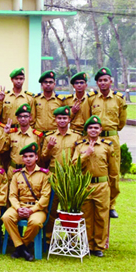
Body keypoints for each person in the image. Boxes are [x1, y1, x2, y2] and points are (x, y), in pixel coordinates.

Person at [72, 116, 118, 257]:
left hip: (102, 184)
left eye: (96, 128)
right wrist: (86, 154)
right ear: (87, 129)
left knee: (101, 216)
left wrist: (113, 190)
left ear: (101, 130)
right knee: (86, 216)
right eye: (90, 128)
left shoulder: (107, 145)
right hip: (85, 184)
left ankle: (98, 246)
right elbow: (74, 164)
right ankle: (87, 244)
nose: (93, 130)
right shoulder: (80, 145)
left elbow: (114, 170)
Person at [1, 142, 51, 262]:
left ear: (36, 157)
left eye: (31, 156)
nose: (28, 159)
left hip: (37, 209)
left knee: (35, 222)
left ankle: (20, 247)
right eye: (26, 157)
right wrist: (18, 208)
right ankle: (22, 247)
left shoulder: (44, 175)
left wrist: (31, 210)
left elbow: (45, 197)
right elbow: (12, 196)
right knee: (6, 217)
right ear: (22, 158)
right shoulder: (17, 175)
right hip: (20, 207)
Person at [90, 67, 127, 218]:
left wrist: (111, 131)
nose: (103, 83)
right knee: (96, 170)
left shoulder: (118, 98)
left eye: (106, 80)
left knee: (113, 172)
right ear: (97, 83)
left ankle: (111, 204)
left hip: (112, 138)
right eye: (100, 80)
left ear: (111, 81)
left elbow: (122, 121)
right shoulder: (92, 99)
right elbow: (88, 118)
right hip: (95, 138)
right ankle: (93, 199)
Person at [5, 104, 44, 178]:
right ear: (17, 118)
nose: (23, 119)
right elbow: (3, 150)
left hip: (30, 172)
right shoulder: (12, 134)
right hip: (13, 170)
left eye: (26, 116)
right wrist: (5, 134)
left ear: (30, 118)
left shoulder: (37, 136)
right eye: (20, 116)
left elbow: (39, 156)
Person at [41, 106, 82, 172]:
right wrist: (49, 148)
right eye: (59, 118)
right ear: (55, 120)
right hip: (54, 173)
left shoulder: (77, 137)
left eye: (64, 118)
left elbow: (79, 157)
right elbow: (43, 159)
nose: (62, 120)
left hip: (70, 173)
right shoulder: (48, 137)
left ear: (69, 120)